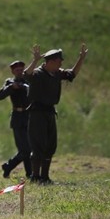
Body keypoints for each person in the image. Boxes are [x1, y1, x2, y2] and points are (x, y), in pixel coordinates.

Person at [23, 43, 88, 184]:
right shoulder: (38, 74)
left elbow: (72, 74)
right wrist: (35, 60)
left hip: (50, 112)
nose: (61, 63)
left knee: (50, 146)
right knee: (37, 145)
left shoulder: (57, 73)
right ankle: (35, 176)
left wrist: (81, 58)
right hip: (37, 113)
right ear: (51, 62)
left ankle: (45, 177)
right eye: (59, 61)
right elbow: (27, 75)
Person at [0, 60, 31, 179]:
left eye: (21, 69)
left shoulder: (29, 80)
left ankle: (16, 169)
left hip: (29, 116)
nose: (20, 72)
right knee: (24, 149)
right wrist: (11, 88)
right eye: (17, 70)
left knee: (29, 148)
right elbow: (0, 96)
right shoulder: (10, 82)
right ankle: (11, 167)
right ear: (12, 71)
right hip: (18, 117)